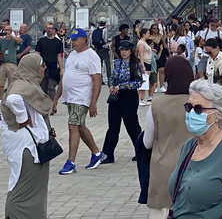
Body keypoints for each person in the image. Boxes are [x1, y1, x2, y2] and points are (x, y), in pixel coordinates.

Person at [167, 79, 222, 218]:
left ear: (218, 114)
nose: (192, 114)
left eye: (199, 109)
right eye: (189, 107)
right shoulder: (189, 146)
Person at [0, 52, 54, 219]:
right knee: (23, 187)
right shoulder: (22, 85)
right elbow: (13, 99)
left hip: (32, 145)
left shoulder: (29, 84)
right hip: (25, 147)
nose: (44, 69)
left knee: (34, 188)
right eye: (42, 65)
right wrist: (22, 118)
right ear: (33, 68)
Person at [142, 56, 195, 219]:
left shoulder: (157, 104)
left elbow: (147, 142)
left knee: (160, 213)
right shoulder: (198, 104)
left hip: (163, 170)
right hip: (194, 168)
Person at [53, 27, 105, 174]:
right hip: (70, 97)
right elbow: (65, 78)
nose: (73, 42)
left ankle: (71, 162)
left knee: (72, 126)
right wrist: (56, 98)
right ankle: (96, 153)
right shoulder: (72, 55)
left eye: (76, 40)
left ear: (84, 40)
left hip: (81, 96)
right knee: (79, 126)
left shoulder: (91, 56)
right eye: (72, 39)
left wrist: (93, 102)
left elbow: (97, 79)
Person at [101, 41, 145, 164]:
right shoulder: (117, 63)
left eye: (126, 50)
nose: (124, 52)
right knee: (113, 126)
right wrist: (111, 85)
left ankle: (140, 151)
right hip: (116, 97)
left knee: (132, 126)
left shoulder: (135, 65)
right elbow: (112, 77)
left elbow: (138, 82)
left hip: (129, 97)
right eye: (122, 50)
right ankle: (108, 154)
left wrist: (122, 86)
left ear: (131, 51)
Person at [35, 22, 64, 101]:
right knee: (43, 87)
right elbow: (38, 53)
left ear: (54, 31)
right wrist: (38, 64)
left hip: (53, 67)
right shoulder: (41, 41)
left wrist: (61, 69)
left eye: (51, 28)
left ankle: (53, 105)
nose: (49, 30)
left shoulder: (58, 42)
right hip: (43, 67)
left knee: (51, 87)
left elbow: (59, 56)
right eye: (47, 28)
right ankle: (45, 106)